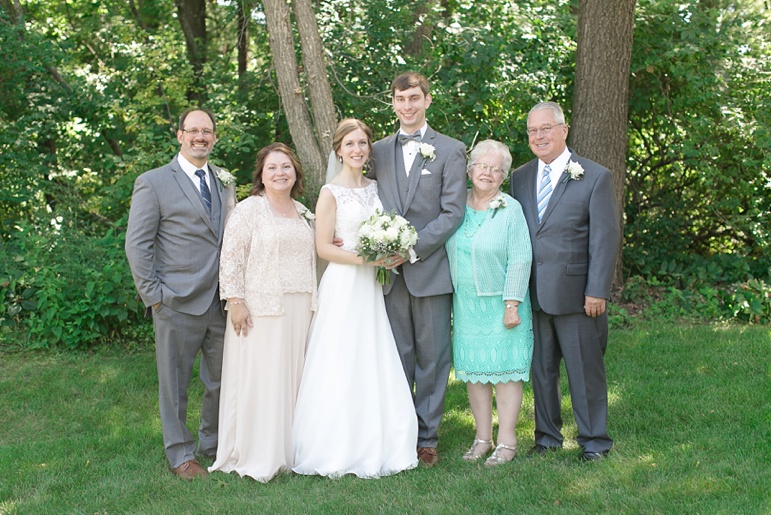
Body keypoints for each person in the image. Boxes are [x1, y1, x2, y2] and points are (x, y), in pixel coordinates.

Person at [292, 119, 418, 478]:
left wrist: (391, 251)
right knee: (340, 357)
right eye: (350, 144)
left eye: (363, 143)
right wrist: (369, 259)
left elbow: (387, 230)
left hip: (372, 287)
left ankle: (380, 439)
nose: (357, 150)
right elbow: (323, 248)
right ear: (338, 150)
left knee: (372, 355)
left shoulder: (378, 189)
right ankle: (334, 444)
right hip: (345, 284)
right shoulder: (329, 193)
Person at [125, 108, 236, 480]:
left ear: (215, 138)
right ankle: (180, 454)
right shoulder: (154, 182)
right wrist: (154, 295)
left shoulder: (224, 181)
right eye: (193, 131)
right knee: (174, 383)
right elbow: (137, 246)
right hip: (175, 301)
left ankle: (212, 444)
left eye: (207, 131)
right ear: (179, 135)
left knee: (221, 380)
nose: (200, 137)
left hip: (221, 300)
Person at [508, 101, 620, 461]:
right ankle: (547, 437)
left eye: (546, 129)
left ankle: (594, 442)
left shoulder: (594, 175)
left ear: (563, 130)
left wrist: (596, 290)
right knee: (541, 370)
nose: (539, 136)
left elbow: (605, 238)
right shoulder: (521, 177)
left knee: (585, 371)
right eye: (532, 131)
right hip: (535, 293)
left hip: (577, 295)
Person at [369, 71, 467, 466]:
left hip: (429, 269)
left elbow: (452, 213)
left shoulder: (451, 149)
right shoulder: (375, 150)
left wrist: (409, 250)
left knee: (432, 356)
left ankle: (427, 436)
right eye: (400, 98)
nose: (407, 105)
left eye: (414, 98)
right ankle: (400, 431)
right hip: (387, 276)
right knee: (396, 355)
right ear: (392, 103)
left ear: (427, 99)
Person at [208, 143, 317, 482]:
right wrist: (235, 301)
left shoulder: (303, 211)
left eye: (286, 166)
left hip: (301, 307)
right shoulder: (250, 209)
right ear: (261, 175)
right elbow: (231, 256)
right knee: (265, 379)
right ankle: (261, 452)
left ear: (295, 172)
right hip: (262, 306)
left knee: (294, 378)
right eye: (272, 167)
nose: (280, 173)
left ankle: (291, 449)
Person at [446, 140, 533, 467]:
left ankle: (507, 442)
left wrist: (512, 303)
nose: (488, 173)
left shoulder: (510, 209)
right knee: (475, 374)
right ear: (470, 170)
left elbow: (521, 258)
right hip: (466, 306)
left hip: (502, 305)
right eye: (483, 166)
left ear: (503, 177)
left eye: (496, 169)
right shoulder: (456, 205)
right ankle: (483, 438)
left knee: (505, 375)